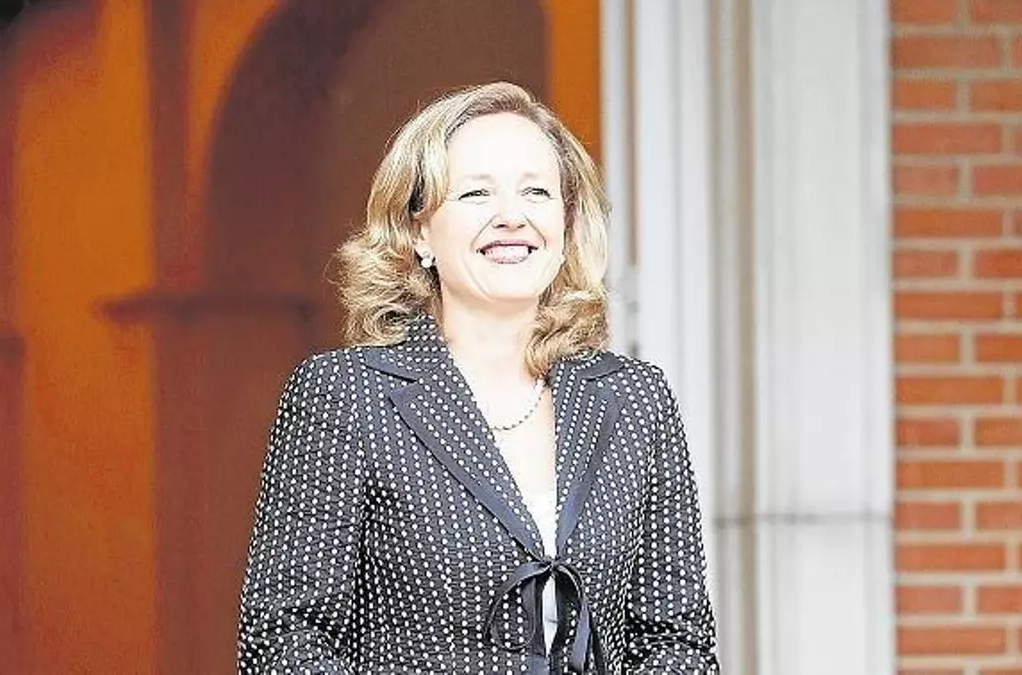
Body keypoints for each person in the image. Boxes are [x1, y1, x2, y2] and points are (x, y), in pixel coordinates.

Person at [237, 81, 719, 674]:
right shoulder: (346, 395)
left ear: (566, 222)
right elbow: (283, 638)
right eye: (476, 193)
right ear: (418, 230)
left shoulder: (634, 399)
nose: (512, 217)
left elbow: (678, 640)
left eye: (536, 192)